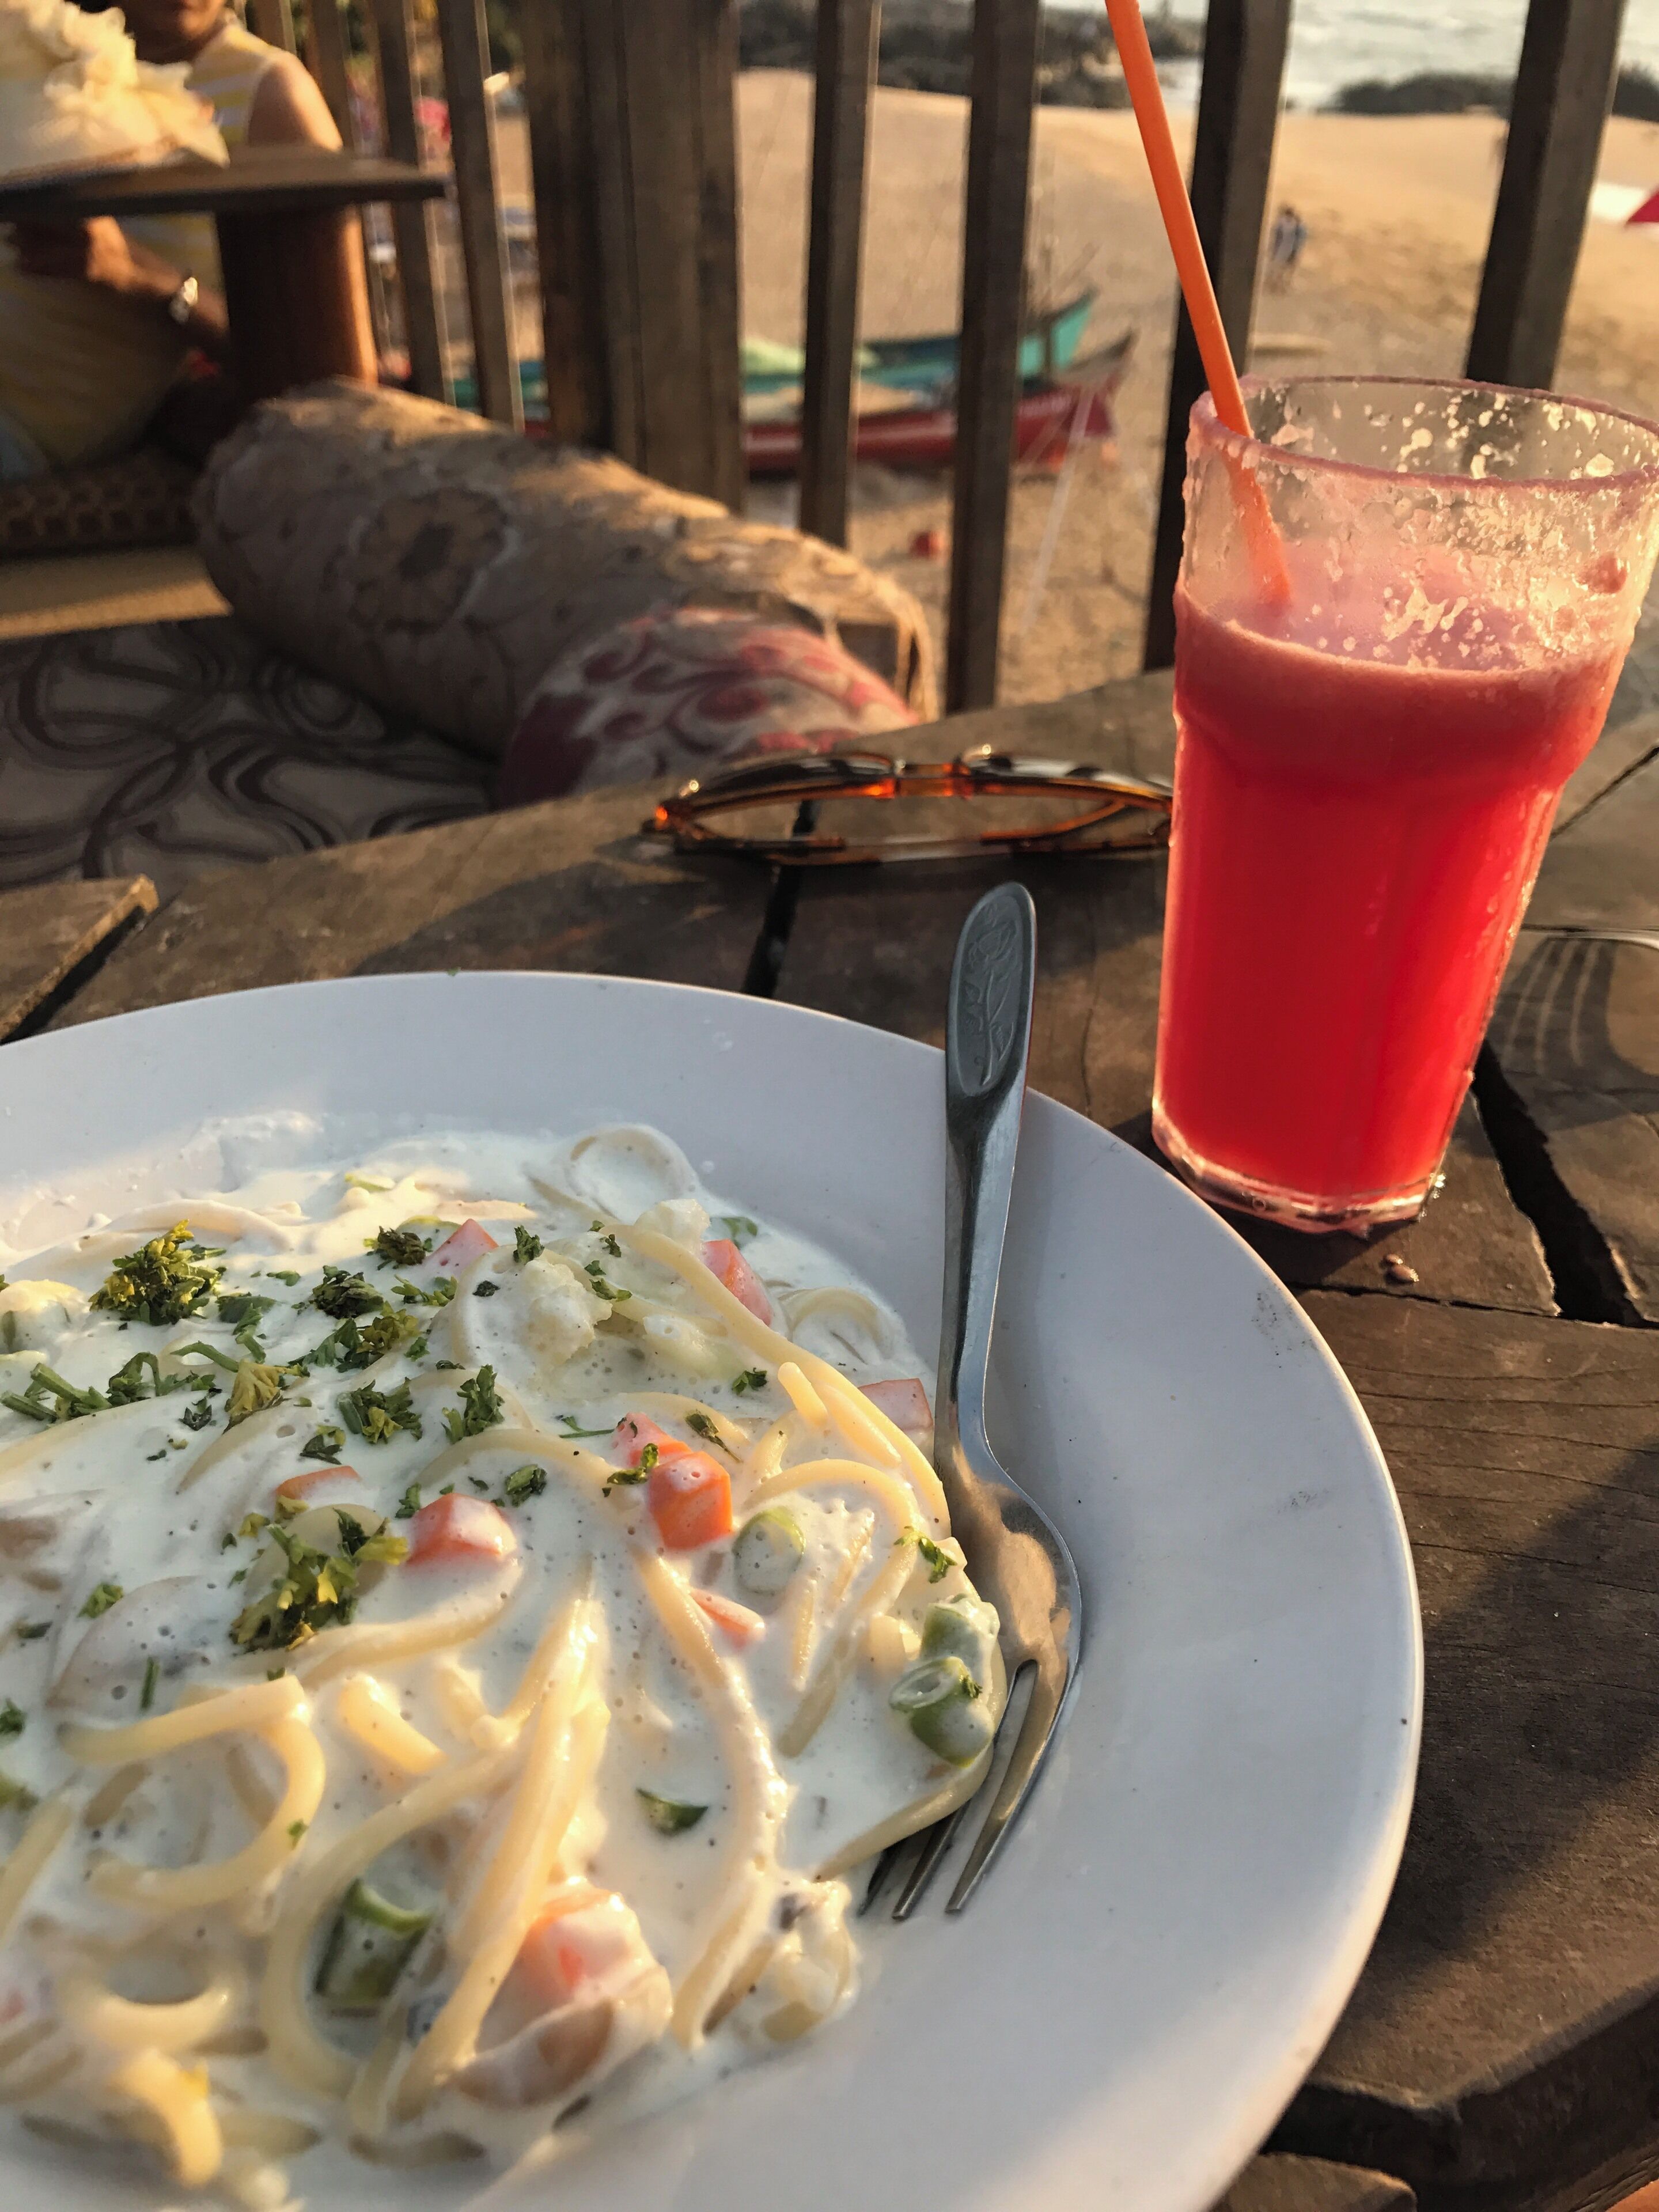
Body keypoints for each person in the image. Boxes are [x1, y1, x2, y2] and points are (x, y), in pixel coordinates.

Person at [0, 0, 357, 481]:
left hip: (27, 426)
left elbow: (334, 374)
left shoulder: (267, 93)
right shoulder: (47, 47)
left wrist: (147, 279)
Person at [1266, 203, 1307, 293]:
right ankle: (1280, 286)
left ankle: (1277, 286)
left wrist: (1273, 249)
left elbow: (1277, 237)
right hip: (1288, 249)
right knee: (1283, 270)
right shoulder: (1295, 224)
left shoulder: (1282, 223)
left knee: (1278, 269)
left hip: (1284, 249)